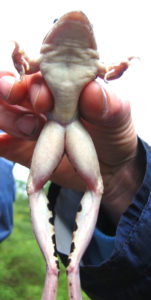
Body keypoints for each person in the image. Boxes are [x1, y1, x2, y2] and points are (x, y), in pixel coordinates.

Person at [0, 71, 150, 300]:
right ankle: (54, 267)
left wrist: (119, 179)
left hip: (73, 130)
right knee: (37, 188)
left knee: (92, 187)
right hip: (55, 128)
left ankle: (66, 268)